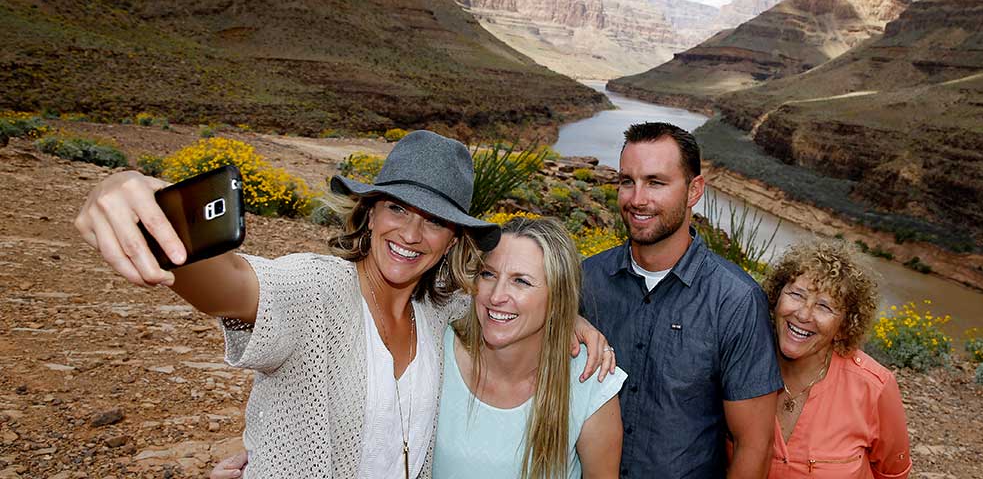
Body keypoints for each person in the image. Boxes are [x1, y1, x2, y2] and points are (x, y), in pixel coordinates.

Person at [75, 130, 613, 478]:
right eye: (396, 208)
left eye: (434, 220)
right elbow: (235, 285)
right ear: (369, 213)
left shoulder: (440, 314)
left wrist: (574, 322)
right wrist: (138, 201)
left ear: (453, 239)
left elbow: (511, 308)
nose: (411, 232)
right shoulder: (317, 292)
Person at [579, 122, 781, 478]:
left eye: (655, 182)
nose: (637, 199)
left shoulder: (735, 300)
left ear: (694, 190)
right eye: (627, 181)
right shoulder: (586, 279)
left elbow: (754, 445)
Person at [434, 216, 625, 479]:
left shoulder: (590, 381)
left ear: (557, 297)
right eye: (488, 274)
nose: (496, 296)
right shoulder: (435, 351)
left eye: (521, 281)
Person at [761, 240, 912, 478]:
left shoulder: (874, 388)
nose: (803, 314)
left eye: (824, 306)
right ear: (775, 299)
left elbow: (893, 473)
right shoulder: (742, 360)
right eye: (797, 294)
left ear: (844, 326)